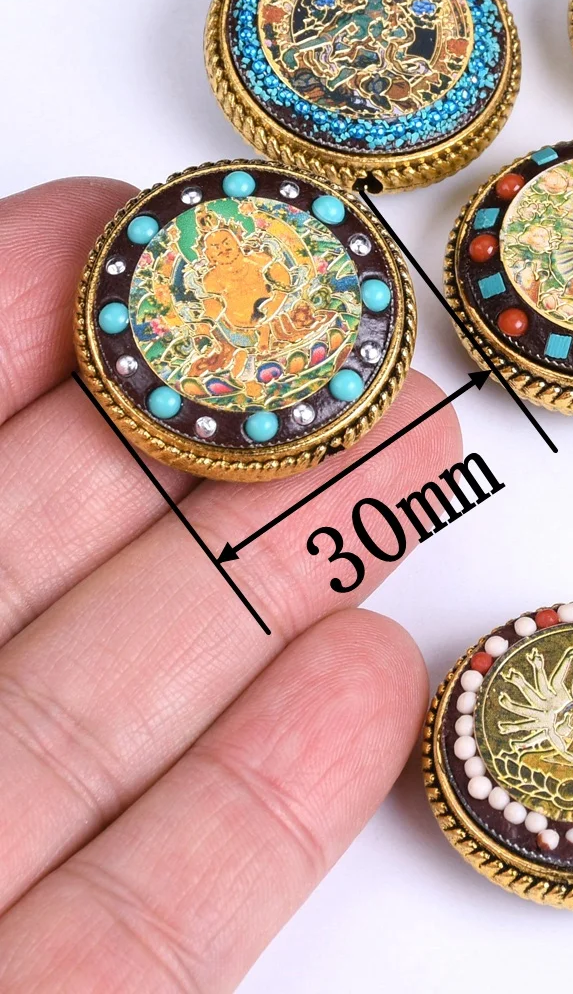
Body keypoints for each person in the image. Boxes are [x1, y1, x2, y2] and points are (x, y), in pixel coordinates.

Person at [0, 175, 461, 990]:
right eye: (209, 244)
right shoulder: (195, 277)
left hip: (276, 345)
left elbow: (283, 276)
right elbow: (199, 303)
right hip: (228, 362)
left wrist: (274, 291)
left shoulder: (266, 257)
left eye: (223, 241)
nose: (217, 245)